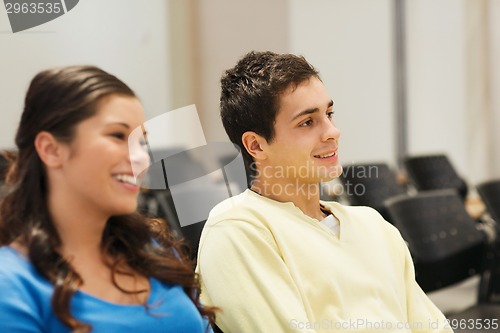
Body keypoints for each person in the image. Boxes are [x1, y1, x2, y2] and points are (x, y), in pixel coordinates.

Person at [195, 51, 453, 332]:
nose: (332, 131)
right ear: (256, 146)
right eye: (307, 122)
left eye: (328, 114)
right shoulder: (237, 230)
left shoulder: (373, 225)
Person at [0, 65, 215, 333]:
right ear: (51, 149)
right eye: (117, 135)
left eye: (141, 142)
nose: (141, 159)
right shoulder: (13, 284)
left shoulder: (156, 251)